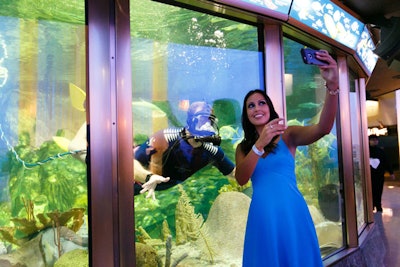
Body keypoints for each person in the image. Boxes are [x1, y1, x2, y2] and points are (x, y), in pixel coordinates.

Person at [235, 50, 339, 266]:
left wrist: (333, 87)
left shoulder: (288, 135)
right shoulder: (243, 148)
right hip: (263, 215)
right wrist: (259, 144)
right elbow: (241, 178)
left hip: (292, 211)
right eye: (251, 105)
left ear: (270, 108)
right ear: (246, 115)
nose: (257, 108)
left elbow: (323, 128)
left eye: (261, 103)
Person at [134, 101, 235, 198]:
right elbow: (129, 163)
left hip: (148, 188)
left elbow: (234, 173)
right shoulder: (166, 137)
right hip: (128, 180)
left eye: (210, 122)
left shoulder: (212, 150)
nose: (206, 126)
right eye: (201, 121)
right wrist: (149, 177)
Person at [369, 134, 395, 212]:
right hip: (369, 176)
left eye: (376, 140)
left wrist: (391, 173)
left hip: (379, 175)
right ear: (369, 141)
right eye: (373, 140)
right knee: (371, 190)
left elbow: (386, 162)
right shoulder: (365, 151)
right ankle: (371, 205)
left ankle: (378, 205)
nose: (374, 141)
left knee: (379, 190)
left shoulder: (381, 151)